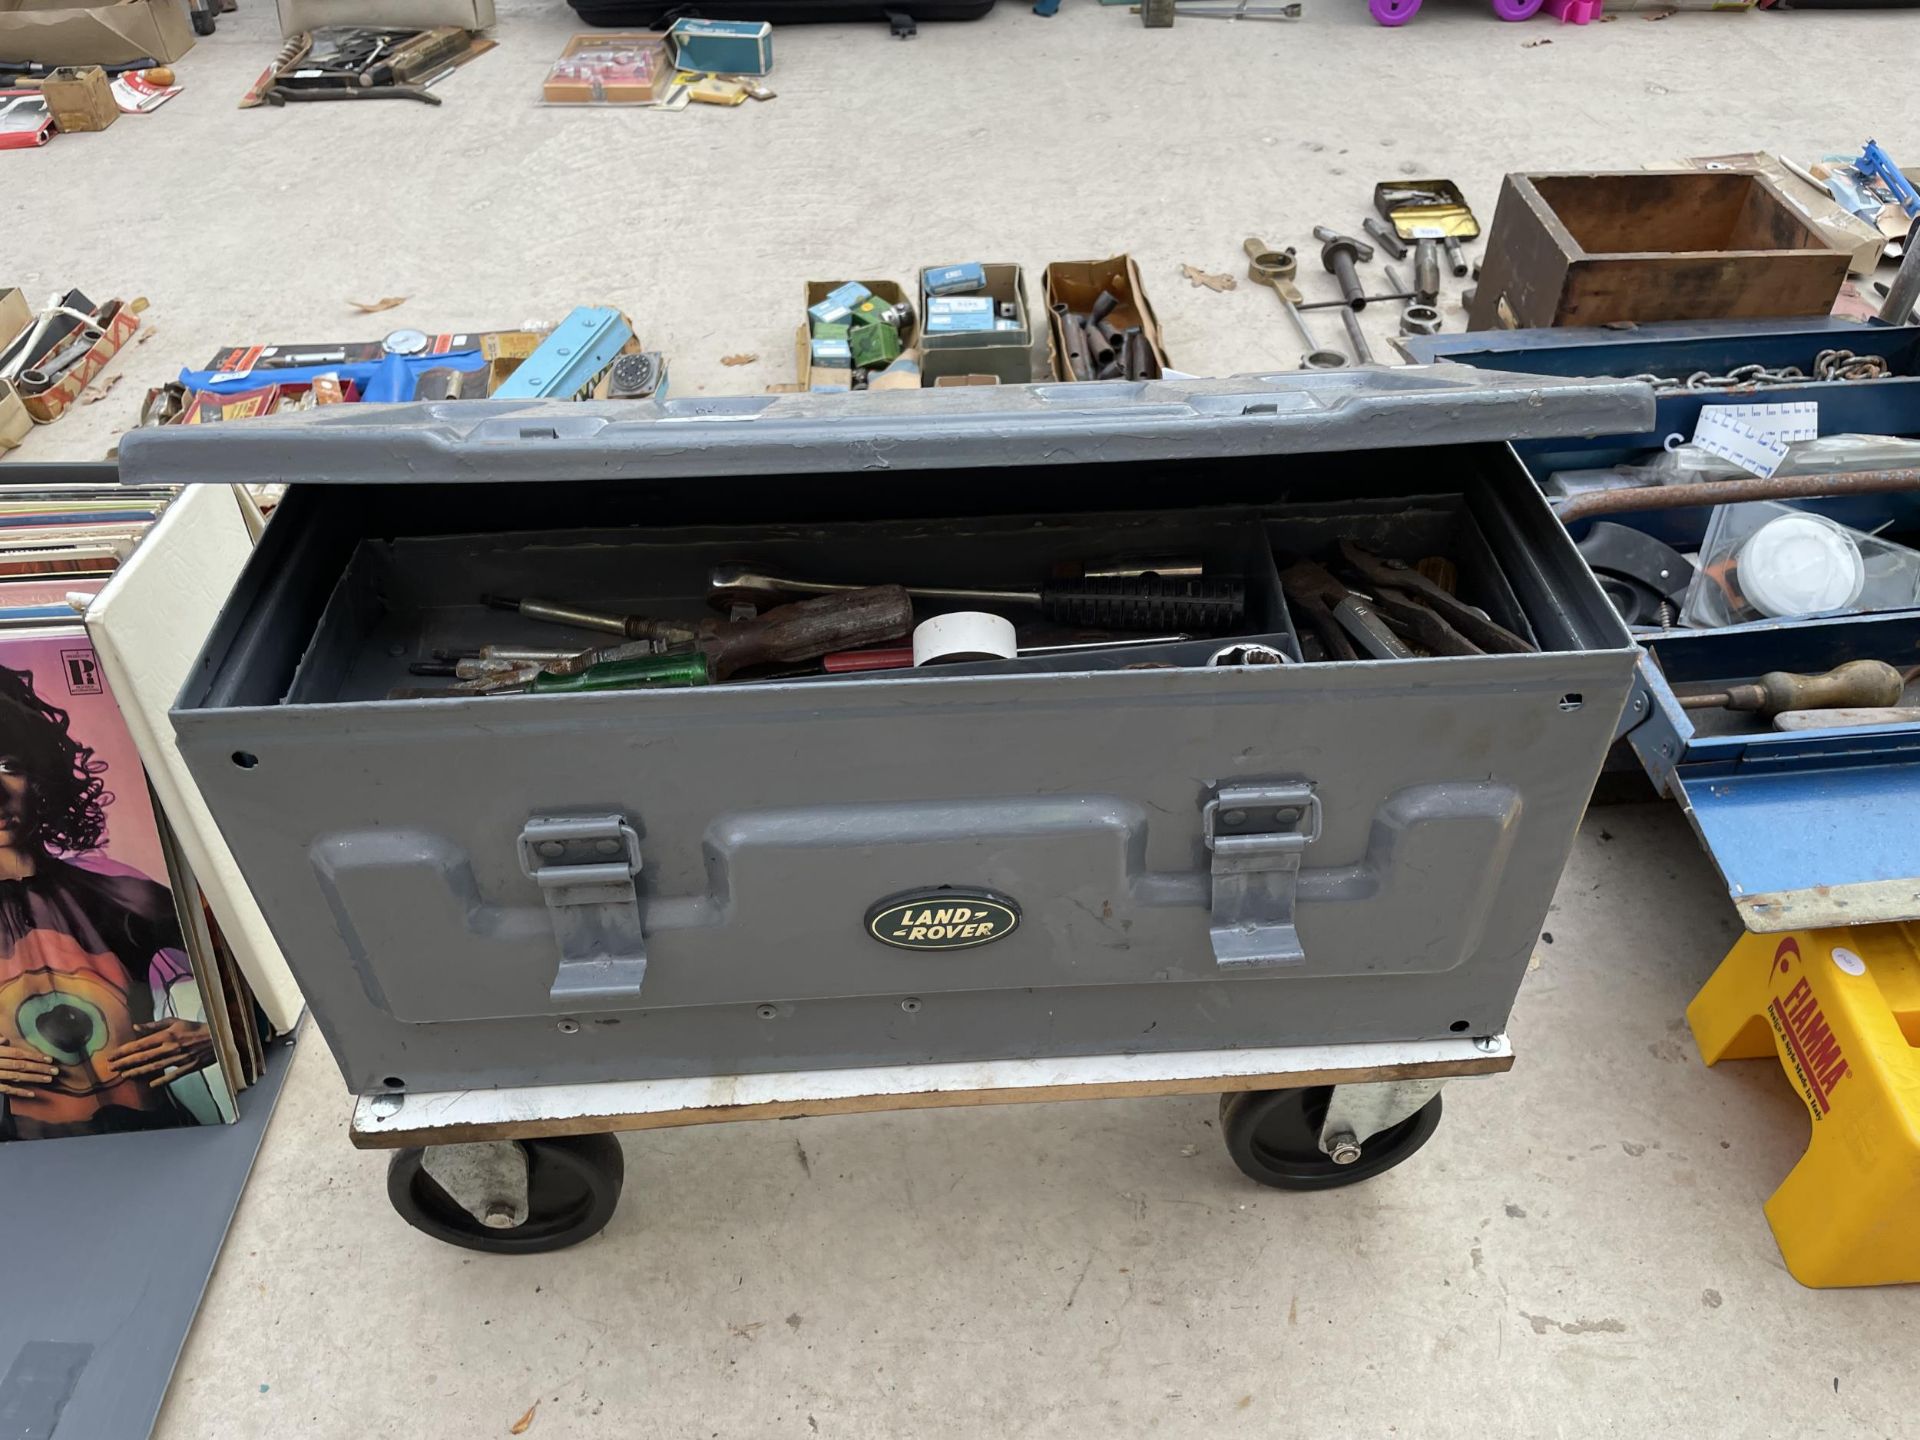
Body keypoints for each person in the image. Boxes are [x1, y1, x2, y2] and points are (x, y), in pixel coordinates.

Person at [0, 662, 214, 1140]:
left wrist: (215, 1037)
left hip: (160, 1137)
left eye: (7, 765)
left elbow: (275, 990)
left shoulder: (122, 897)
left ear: (41, 773)